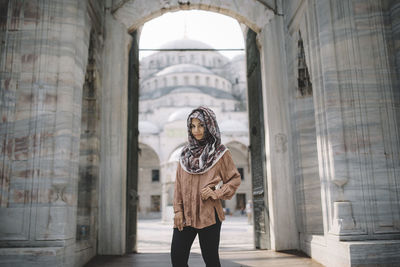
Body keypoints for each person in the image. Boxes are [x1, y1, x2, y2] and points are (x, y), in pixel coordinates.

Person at [170, 106, 241, 267]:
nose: (197, 130)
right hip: (185, 215)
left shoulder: (220, 152)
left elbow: (234, 179)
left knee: (211, 260)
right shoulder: (185, 154)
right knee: (177, 258)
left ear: (209, 125)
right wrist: (177, 211)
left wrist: (217, 192)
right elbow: (178, 186)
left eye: (201, 125)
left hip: (209, 214)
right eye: (193, 126)